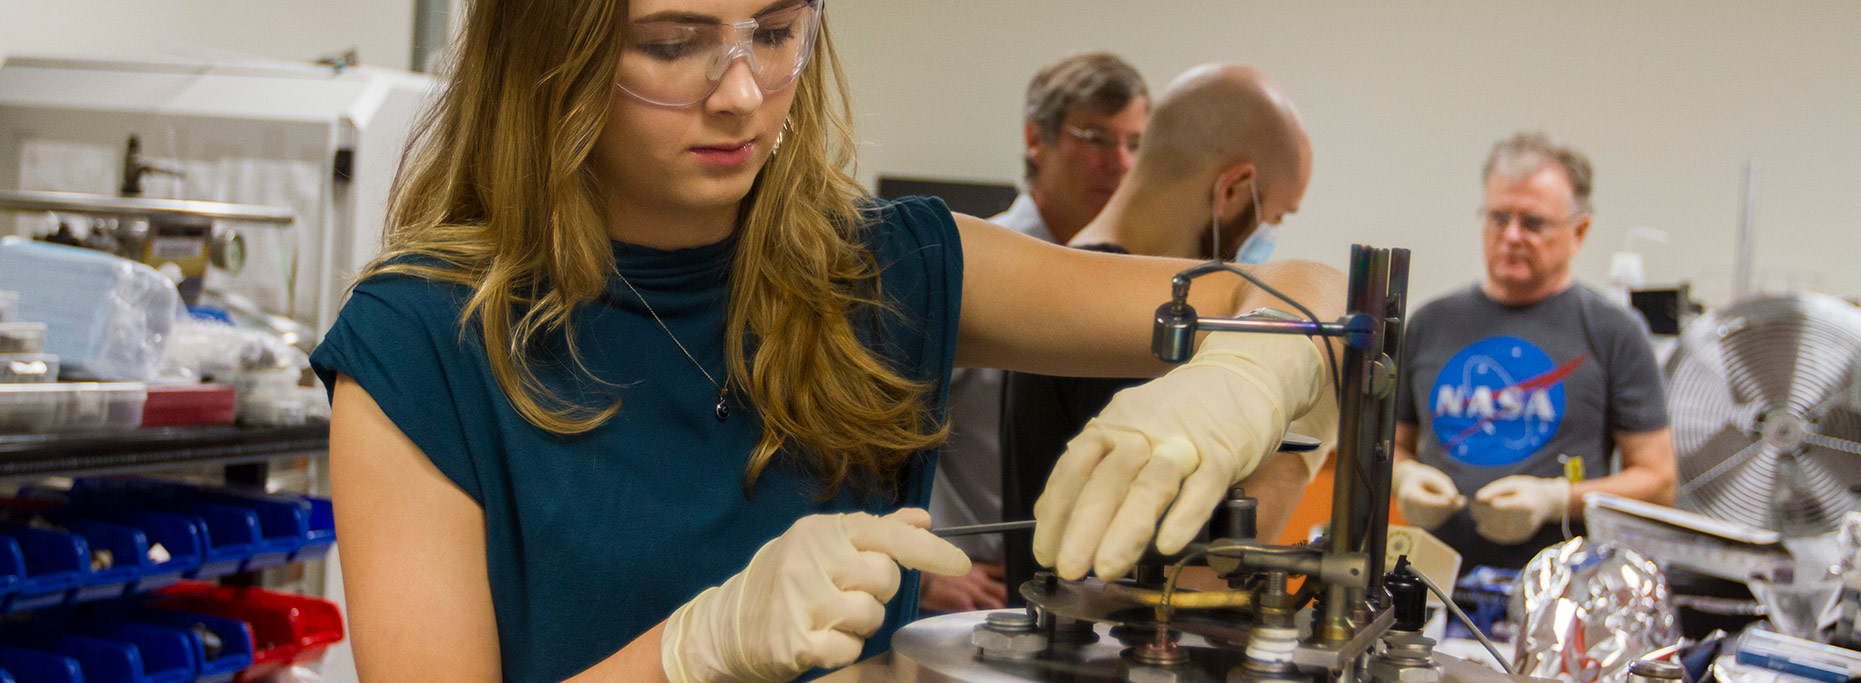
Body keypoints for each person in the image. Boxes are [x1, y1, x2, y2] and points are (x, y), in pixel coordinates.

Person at [318, 1, 1343, 681]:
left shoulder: (890, 270)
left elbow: (1317, 294)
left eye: (773, 30)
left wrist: (1252, 368)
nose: (740, 91)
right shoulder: (421, 344)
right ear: (547, 50)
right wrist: (691, 647)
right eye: (673, 42)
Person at [1000, 63, 1331, 602]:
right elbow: (1189, 588)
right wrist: (1301, 456)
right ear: (1233, 189)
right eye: (1277, 216)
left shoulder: (1086, 276)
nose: (1271, 237)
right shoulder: (1133, 317)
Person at [923, 51, 1150, 613]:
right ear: (1035, 139)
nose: (1120, 162)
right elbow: (864, 431)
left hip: (1074, 595)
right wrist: (922, 574)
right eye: (1097, 137)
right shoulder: (969, 267)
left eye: (1135, 143)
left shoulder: (1124, 277)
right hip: (971, 596)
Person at [1391, 132, 1676, 571]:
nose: (1511, 236)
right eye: (1498, 217)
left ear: (1579, 231)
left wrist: (1558, 499)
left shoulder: (1613, 331)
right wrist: (1402, 475)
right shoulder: (1430, 323)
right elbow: (1390, 445)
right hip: (1431, 583)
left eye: (1534, 223)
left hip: (1558, 590)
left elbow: (1658, 481)